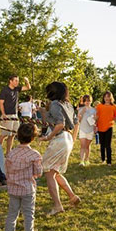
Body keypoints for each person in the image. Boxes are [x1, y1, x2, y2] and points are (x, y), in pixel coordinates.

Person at [39, 81, 80, 215]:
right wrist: (43, 111)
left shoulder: (55, 104)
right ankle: (72, 196)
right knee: (55, 171)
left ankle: (57, 205)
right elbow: (74, 123)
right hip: (67, 139)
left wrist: (48, 137)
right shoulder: (67, 104)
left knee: (49, 173)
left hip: (60, 138)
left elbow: (59, 124)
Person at [2, 122, 43, 231]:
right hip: (27, 189)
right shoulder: (34, 155)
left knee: (12, 214)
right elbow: (38, 173)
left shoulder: (11, 153)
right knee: (29, 214)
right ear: (33, 137)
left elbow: (7, 170)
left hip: (13, 188)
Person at [0, 74, 32, 155]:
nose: (17, 82)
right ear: (10, 81)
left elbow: (28, 87)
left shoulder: (17, 89)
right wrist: (3, 114)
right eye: (16, 80)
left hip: (15, 115)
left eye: (18, 81)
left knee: (12, 134)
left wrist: (27, 81)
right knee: (4, 134)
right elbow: (1, 103)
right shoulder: (5, 90)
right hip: (7, 115)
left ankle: (8, 152)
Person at [96, 91, 116, 166]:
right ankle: (103, 159)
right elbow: (97, 117)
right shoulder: (99, 106)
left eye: (108, 96)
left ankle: (109, 161)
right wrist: (95, 125)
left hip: (109, 127)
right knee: (102, 144)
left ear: (111, 98)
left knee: (108, 145)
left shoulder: (114, 106)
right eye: (105, 96)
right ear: (103, 97)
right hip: (100, 127)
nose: (107, 98)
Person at [77, 95, 95, 167]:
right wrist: (81, 113)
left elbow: (95, 120)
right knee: (82, 146)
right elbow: (79, 120)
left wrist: (95, 118)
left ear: (91, 101)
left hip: (90, 130)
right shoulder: (81, 109)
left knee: (87, 146)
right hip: (82, 129)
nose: (87, 102)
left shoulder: (94, 110)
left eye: (88, 100)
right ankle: (81, 161)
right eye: (86, 101)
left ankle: (87, 160)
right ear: (84, 102)